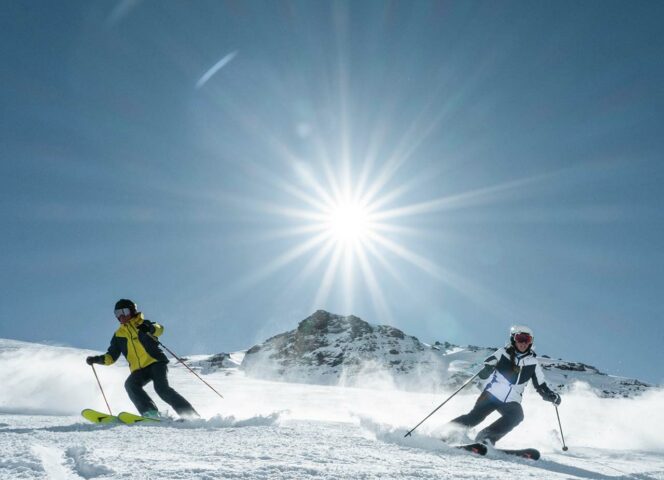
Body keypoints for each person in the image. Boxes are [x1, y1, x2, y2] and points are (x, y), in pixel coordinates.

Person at [86, 299, 199, 419]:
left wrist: (149, 328)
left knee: (162, 389)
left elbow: (159, 328)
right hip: (139, 370)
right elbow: (111, 357)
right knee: (130, 385)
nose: (121, 316)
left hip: (156, 362)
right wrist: (96, 359)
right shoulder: (119, 335)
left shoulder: (143, 324)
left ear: (132, 311)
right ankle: (150, 413)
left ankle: (190, 414)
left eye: (124, 311)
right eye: (117, 313)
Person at [449, 325, 561, 446]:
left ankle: (486, 437)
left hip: (512, 400)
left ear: (530, 342)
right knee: (476, 417)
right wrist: (487, 369)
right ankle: (447, 431)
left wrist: (550, 395)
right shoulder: (503, 353)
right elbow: (488, 363)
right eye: (520, 338)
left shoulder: (533, 363)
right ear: (513, 339)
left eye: (527, 339)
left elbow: (541, 385)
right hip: (491, 395)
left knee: (516, 416)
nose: (523, 343)